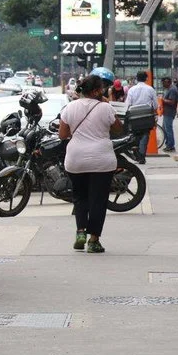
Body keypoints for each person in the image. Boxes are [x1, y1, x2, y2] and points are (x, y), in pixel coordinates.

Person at [58, 75, 124, 253]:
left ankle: (80, 232)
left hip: (76, 159)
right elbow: (118, 128)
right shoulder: (105, 107)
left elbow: (62, 134)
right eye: (101, 89)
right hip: (101, 160)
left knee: (80, 197)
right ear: (96, 91)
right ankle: (94, 240)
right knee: (98, 200)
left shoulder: (70, 107)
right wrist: (106, 104)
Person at [125, 70, 158, 164]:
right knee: (145, 134)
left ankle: (136, 152)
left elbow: (127, 104)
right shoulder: (150, 89)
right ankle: (142, 156)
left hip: (134, 115)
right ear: (146, 78)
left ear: (136, 78)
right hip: (146, 115)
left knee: (135, 135)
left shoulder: (132, 89)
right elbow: (155, 105)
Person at [161, 77, 178, 153]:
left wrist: (163, 100)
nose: (162, 85)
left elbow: (172, 102)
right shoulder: (168, 89)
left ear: (167, 82)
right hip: (166, 112)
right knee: (164, 129)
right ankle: (168, 144)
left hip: (169, 112)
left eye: (163, 83)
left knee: (168, 129)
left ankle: (171, 146)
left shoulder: (172, 90)